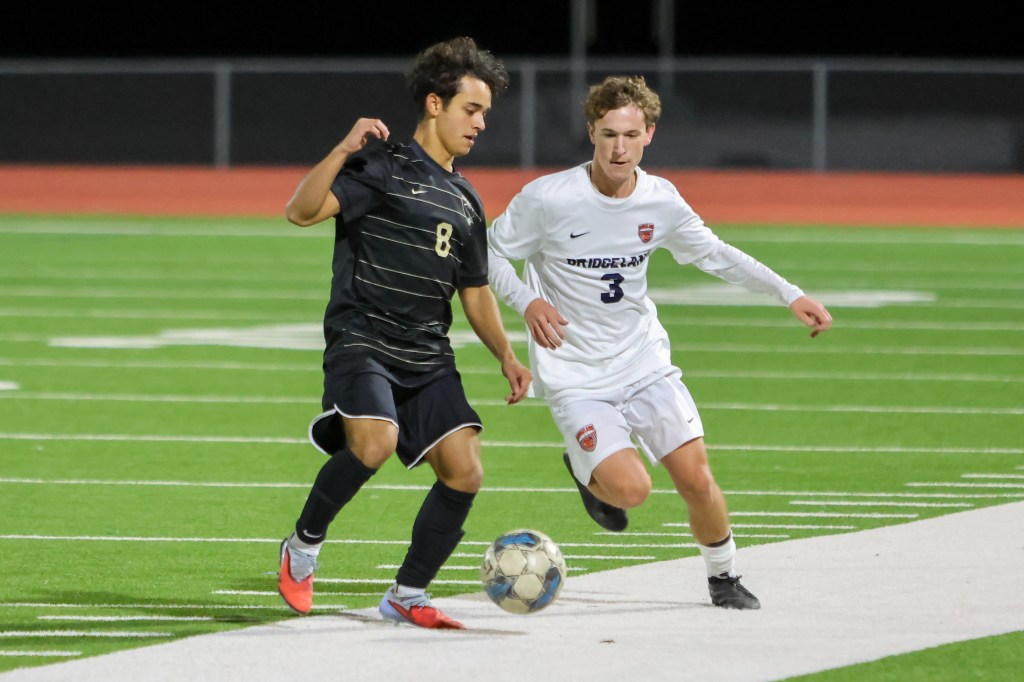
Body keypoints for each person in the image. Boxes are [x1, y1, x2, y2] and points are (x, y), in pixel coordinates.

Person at [487, 75, 832, 610]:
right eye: (607, 135)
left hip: (644, 362)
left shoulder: (660, 200)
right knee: (632, 491)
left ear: (649, 133)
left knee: (696, 477)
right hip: (576, 376)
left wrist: (788, 293)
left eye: (629, 134)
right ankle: (586, 471)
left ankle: (724, 578)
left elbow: (716, 254)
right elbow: (488, 253)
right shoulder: (548, 198)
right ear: (591, 134)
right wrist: (526, 302)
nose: (618, 147)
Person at [276, 37, 530, 630]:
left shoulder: (467, 199)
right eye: (473, 109)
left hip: (427, 351)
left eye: (486, 113)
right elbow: (301, 211)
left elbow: (474, 290)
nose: (481, 123)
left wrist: (507, 354)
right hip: (363, 335)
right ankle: (303, 545)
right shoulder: (379, 164)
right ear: (436, 104)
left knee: (466, 471)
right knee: (374, 443)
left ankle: (407, 594)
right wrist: (343, 148)